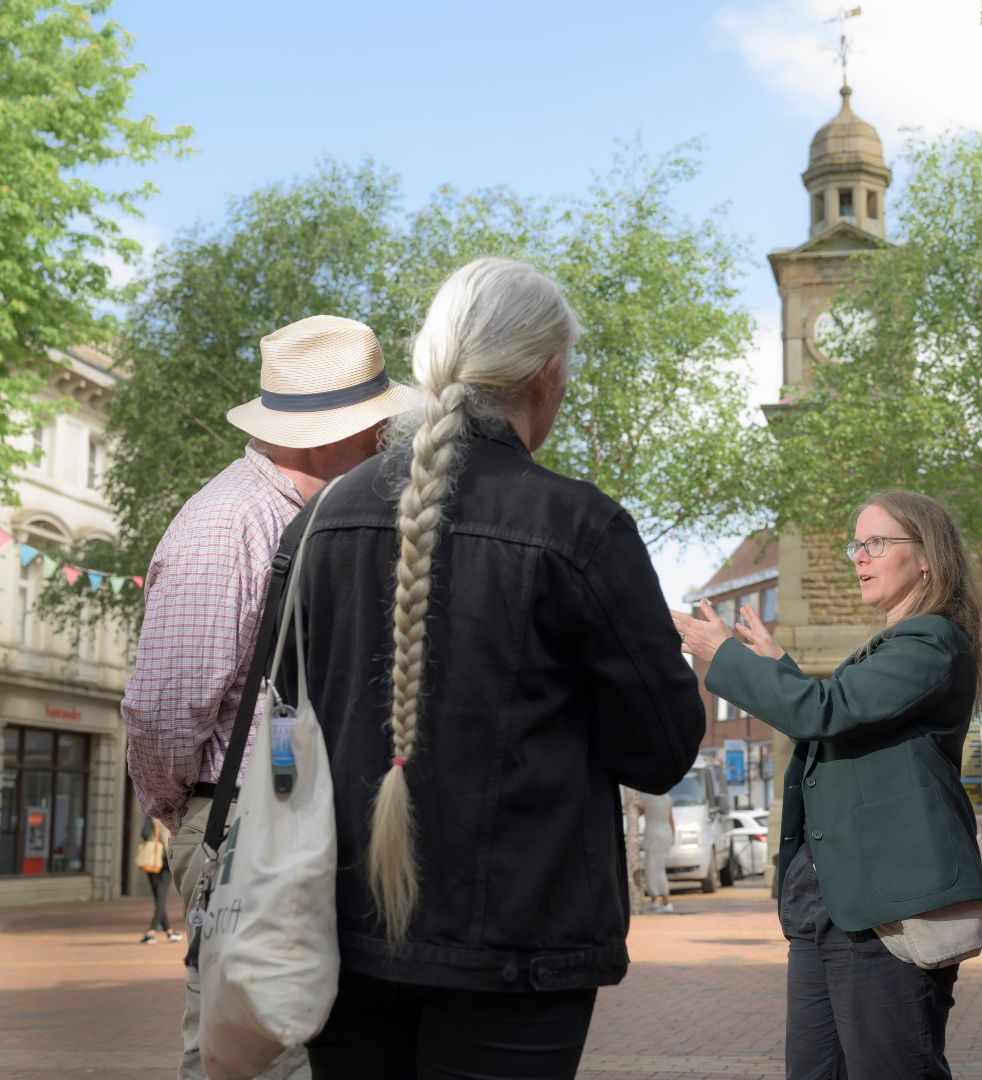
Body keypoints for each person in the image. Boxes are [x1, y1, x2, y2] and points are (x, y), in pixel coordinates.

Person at [276, 258, 705, 1080]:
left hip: (337, 931)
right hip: (517, 944)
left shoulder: (319, 522)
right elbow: (661, 748)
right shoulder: (580, 527)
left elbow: (284, 719)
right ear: (546, 376)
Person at [122, 315, 414, 1080]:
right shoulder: (226, 524)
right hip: (253, 824)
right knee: (263, 1051)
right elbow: (161, 711)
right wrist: (185, 817)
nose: (387, 439)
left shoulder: (319, 511)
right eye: (375, 423)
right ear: (327, 434)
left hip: (298, 819)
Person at [672, 490, 982, 1080]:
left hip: (884, 907)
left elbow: (827, 712)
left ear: (927, 558)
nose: (859, 557)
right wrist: (778, 670)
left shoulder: (933, 642)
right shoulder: (890, 651)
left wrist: (722, 657)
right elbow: (839, 724)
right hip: (828, 900)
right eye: (856, 544)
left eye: (876, 543)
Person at [138, 815, 184, 944]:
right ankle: (160, 931)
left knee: (158, 897)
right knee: (161, 898)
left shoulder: (151, 815)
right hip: (166, 861)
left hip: (152, 859)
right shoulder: (169, 817)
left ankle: (160, 931)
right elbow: (171, 840)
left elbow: (144, 833)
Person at [636, 791, 675, 913]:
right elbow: (671, 820)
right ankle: (656, 900)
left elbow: (637, 812)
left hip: (653, 834)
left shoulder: (645, 797)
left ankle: (663, 900)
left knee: (652, 868)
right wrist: (673, 837)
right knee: (659, 867)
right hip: (666, 833)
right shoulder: (667, 798)